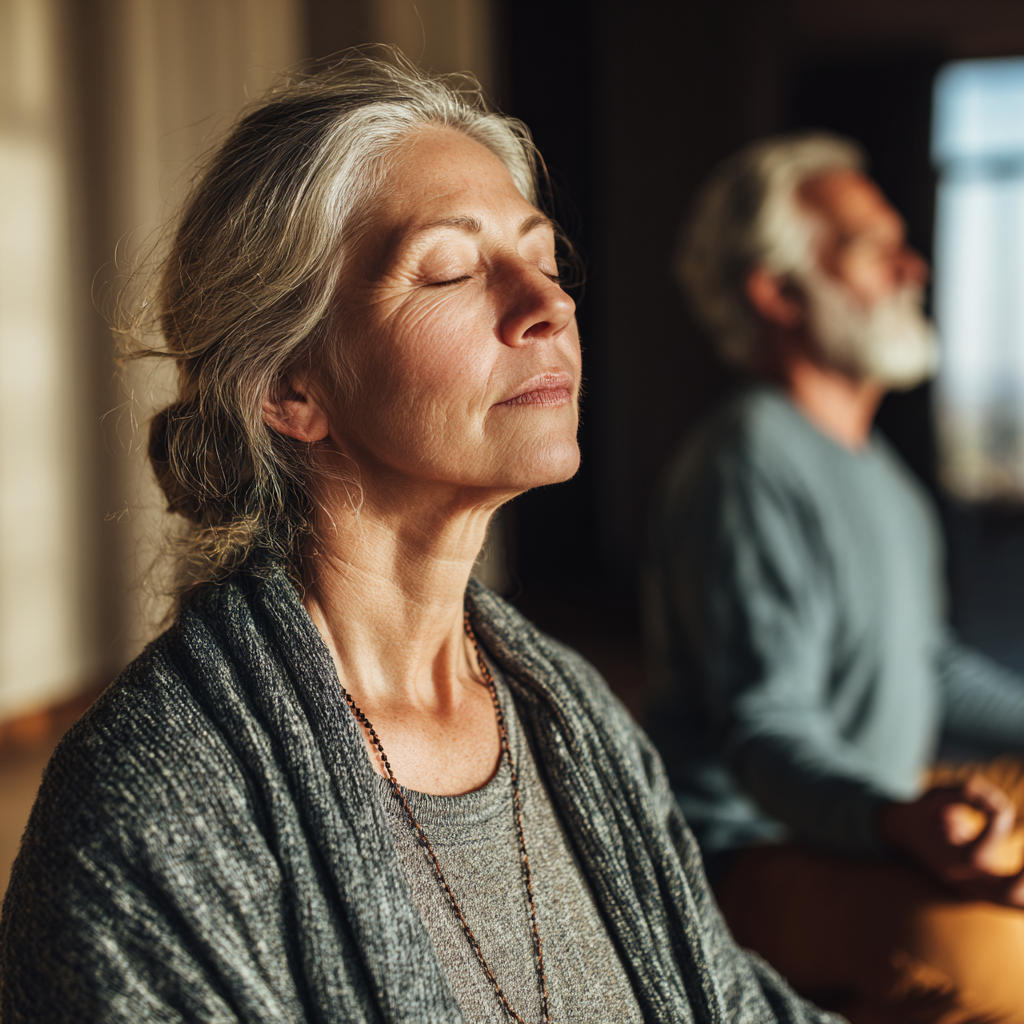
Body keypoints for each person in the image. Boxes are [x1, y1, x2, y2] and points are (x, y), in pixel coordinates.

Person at [0, 57, 838, 1024]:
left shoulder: (572, 712)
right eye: (449, 268)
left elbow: (727, 1002)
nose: (550, 305)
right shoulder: (157, 805)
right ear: (291, 389)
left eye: (546, 258)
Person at [645, 132, 1024, 1024]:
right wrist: (894, 820)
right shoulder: (748, 462)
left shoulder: (883, 478)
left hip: (870, 819)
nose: (913, 266)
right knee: (992, 958)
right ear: (779, 292)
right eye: (871, 249)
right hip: (755, 858)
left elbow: (922, 665)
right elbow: (765, 727)